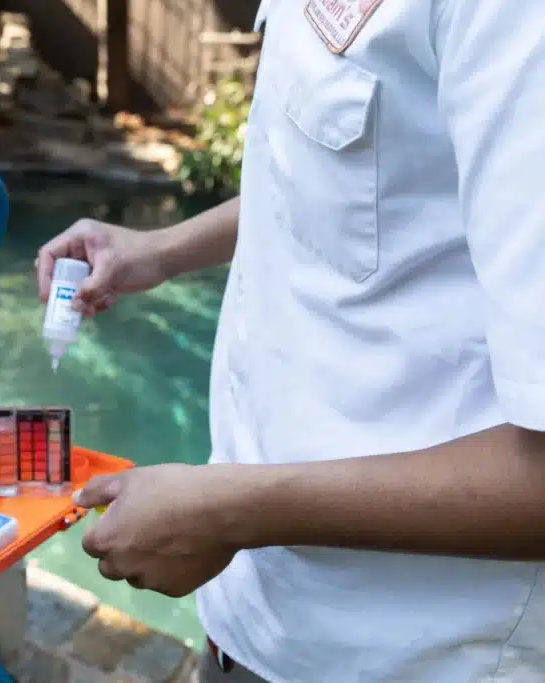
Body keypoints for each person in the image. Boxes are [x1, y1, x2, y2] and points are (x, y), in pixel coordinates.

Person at [35, 0, 545, 681]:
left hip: (408, 656)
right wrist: (159, 249)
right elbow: (351, 176)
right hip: (261, 618)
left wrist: (229, 510)